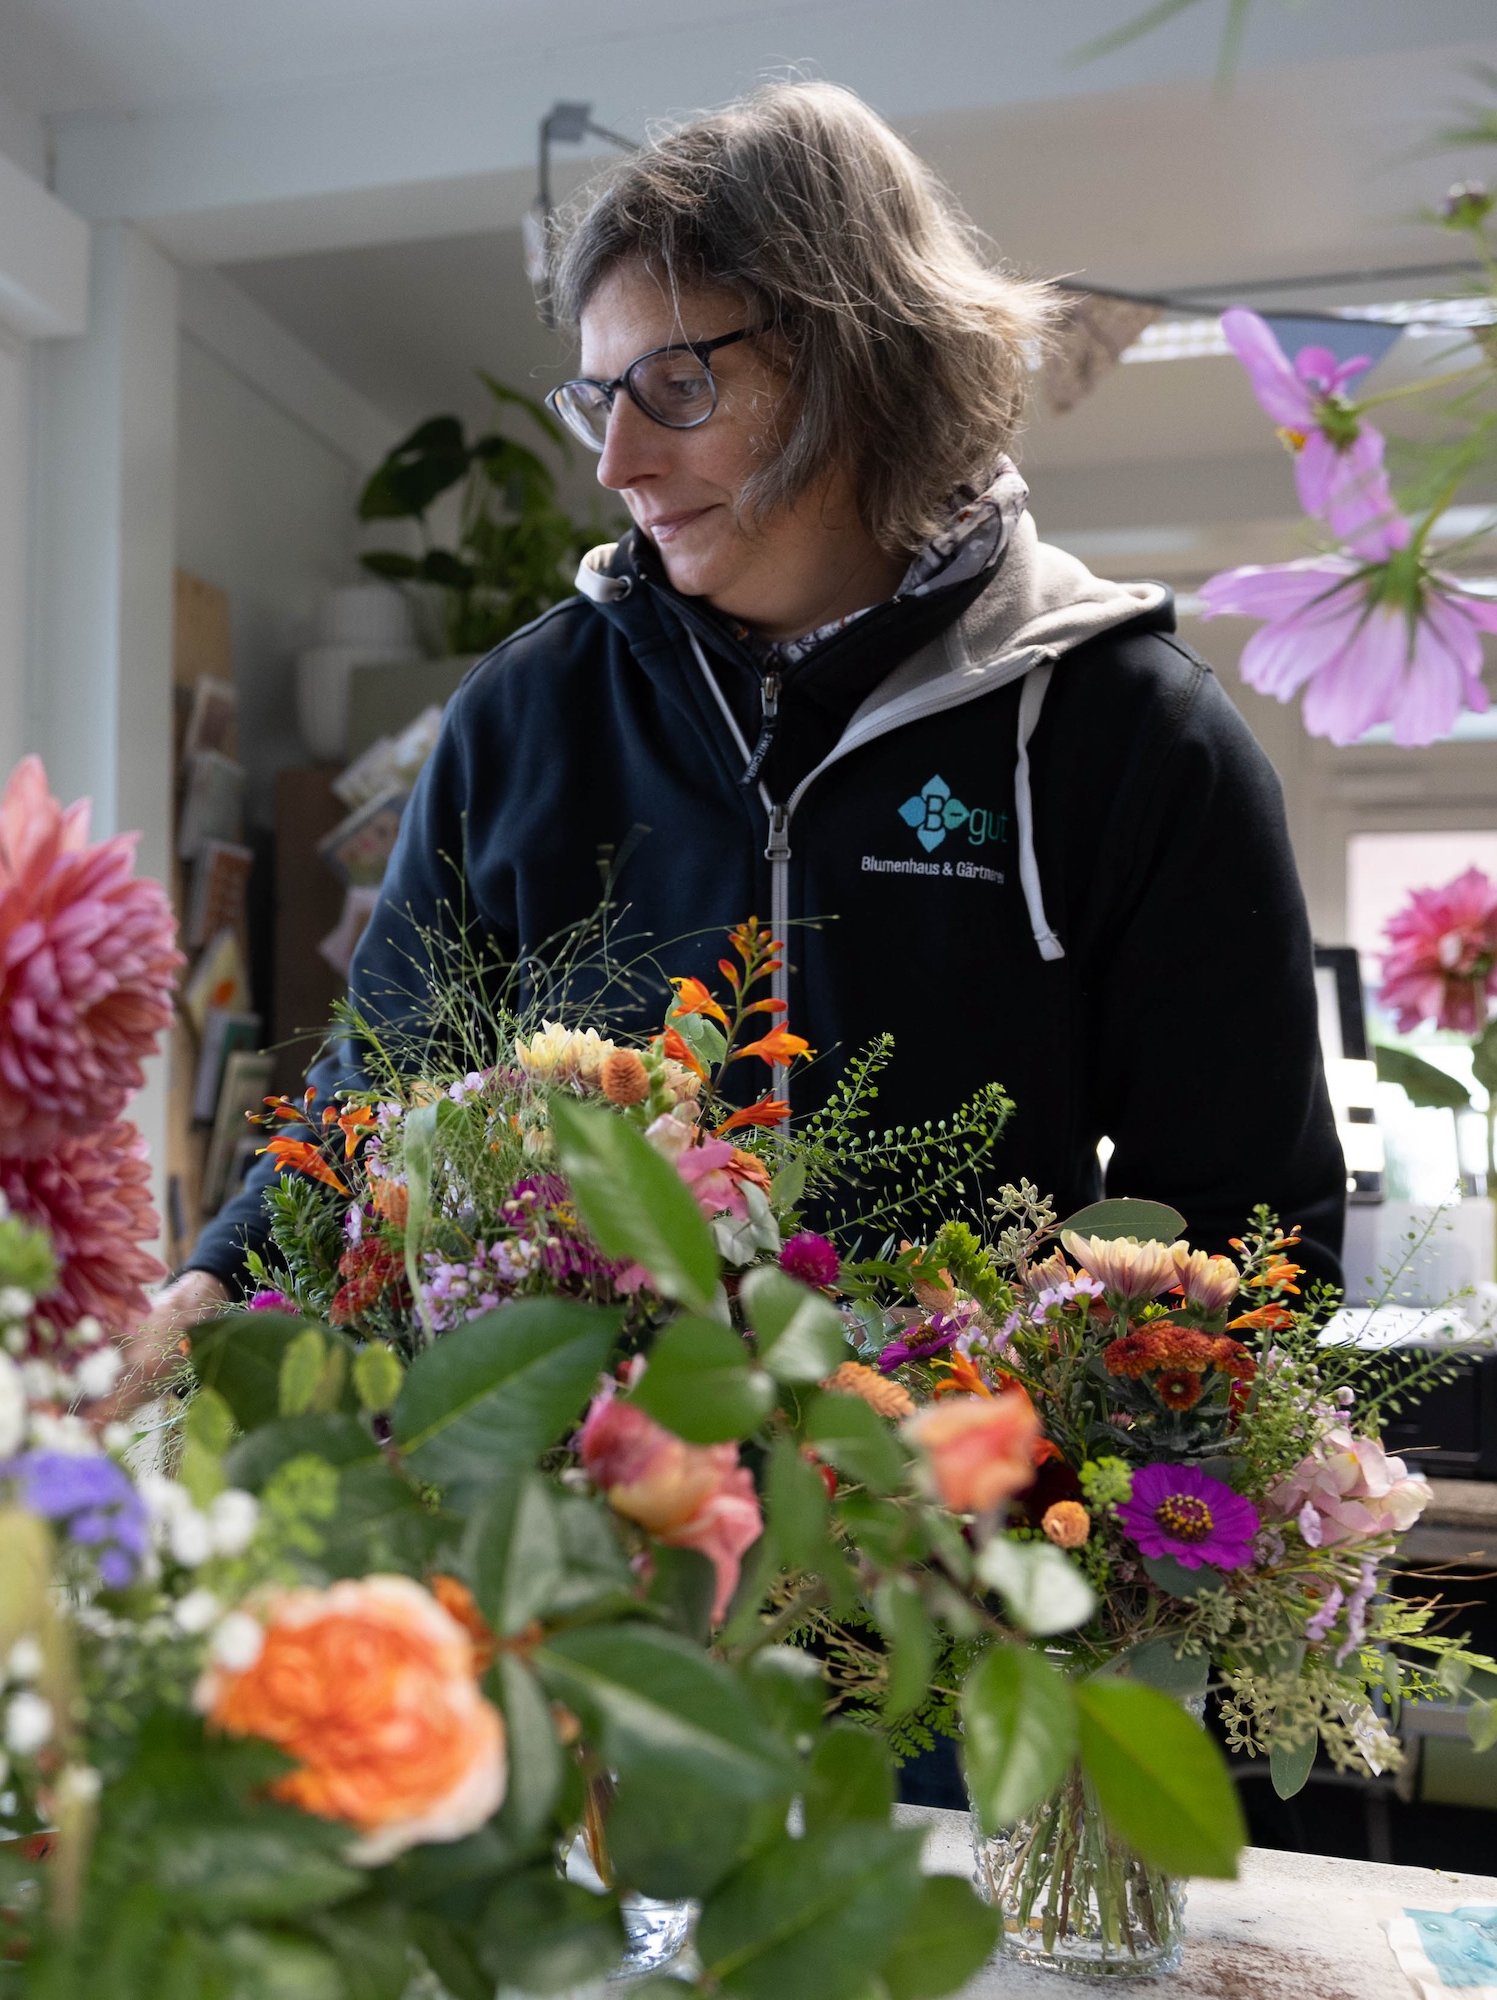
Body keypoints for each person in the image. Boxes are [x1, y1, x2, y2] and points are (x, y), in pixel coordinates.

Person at [129, 79, 1344, 1389]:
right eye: (600, 398)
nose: (618, 462)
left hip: (964, 1555)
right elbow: (372, 1092)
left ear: (859, 357)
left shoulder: (1135, 736)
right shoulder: (526, 715)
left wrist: (1060, 1471)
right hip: (571, 1548)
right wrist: (212, 1283)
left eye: (676, 381)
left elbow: (1250, 1235)